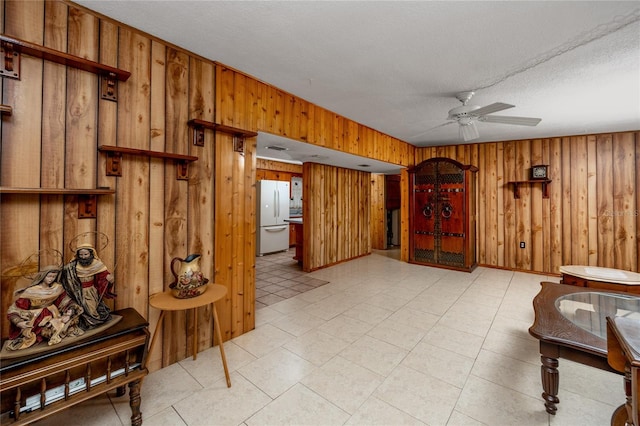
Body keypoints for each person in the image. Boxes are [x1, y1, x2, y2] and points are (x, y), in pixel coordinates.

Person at [6, 266, 84, 350]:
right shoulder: (31, 291)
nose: (51, 279)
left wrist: (69, 312)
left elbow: (64, 301)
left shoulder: (57, 288)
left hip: (54, 314)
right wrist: (18, 322)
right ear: (43, 276)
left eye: (54, 277)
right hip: (36, 317)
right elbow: (16, 308)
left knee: (61, 326)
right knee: (35, 333)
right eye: (49, 276)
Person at [61, 244, 117, 330]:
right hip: (77, 291)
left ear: (91, 254)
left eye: (86, 254)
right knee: (81, 308)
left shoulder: (97, 264)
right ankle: (86, 323)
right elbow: (66, 276)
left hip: (91, 291)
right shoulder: (73, 266)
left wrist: (109, 279)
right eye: (81, 255)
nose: (83, 257)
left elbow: (103, 277)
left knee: (92, 309)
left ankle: (94, 323)